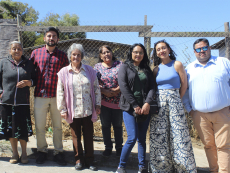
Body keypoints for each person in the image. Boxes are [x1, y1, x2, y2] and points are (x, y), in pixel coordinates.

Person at [183, 38, 230, 173]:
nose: (201, 51)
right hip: (200, 115)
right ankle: (214, 170)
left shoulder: (223, 63)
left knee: (224, 145)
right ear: (194, 52)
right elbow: (185, 91)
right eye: (198, 49)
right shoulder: (190, 68)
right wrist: (190, 110)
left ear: (209, 48)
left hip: (223, 111)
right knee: (209, 145)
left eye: (204, 48)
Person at [150, 39, 197, 172]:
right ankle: (161, 168)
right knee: (160, 135)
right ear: (156, 53)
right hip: (159, 105)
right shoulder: (156, 69)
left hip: (175, 102)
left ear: (169, 50)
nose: (161, 51)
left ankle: (184, 168)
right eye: (158, 49)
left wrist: (176, 99)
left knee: (179, 135)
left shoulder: (177, 64)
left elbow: (184, 85)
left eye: (163, 48)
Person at [57, 43, 101, 171]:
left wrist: (98, 104)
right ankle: (78, 160)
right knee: (76, 137)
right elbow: (60, 92)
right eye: (73, 54)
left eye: (78, 55)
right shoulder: (64, 72)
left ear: (82, 56)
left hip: (87, 109)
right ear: (70, 56)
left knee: (88, 136)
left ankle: (90, 161)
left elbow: (96, 89)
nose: (76, 57)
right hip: (73, 110)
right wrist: (62, 109)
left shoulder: (90, 71)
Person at [30, 27, 69, 165]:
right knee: (40, 126)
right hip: (40, 95)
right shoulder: (36, 53)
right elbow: (30, 72)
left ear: (58, 39)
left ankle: (58, 152)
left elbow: (67, 76)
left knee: (57, 126)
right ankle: (41, 151)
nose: (51, 38)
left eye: (54, 36)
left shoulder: (63, 56)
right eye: (48, 36)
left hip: (57, 97)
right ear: (44, 38)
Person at [116, 43, 155, 173]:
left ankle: (142, 167)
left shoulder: (147, 69)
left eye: (141, 52)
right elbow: (123, 87)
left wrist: (147, 103)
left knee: (142, 139)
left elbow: (152, 88)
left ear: (144, 55)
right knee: (132, 138)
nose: (138, 54)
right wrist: (135, 105)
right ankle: (121, 167)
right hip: (129, 108)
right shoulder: (125, 67)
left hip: (145, 108)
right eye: (135, 52)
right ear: (131, 53)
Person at [0, 41, 35, 164]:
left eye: (19, 48)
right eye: (14, 49)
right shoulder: (4, 63)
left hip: (23, 102)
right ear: (10, 50)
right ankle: (14, 153)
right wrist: (1, 92)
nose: (17, 51)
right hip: (7, 102)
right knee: (11, 129)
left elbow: (35, 80)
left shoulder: (29, 64)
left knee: (22, 129)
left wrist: (28, 83)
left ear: (22, 50)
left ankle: (24, 153)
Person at [94, 45, 123, 157]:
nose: (106, 54)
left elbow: (125, 79)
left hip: (118, 101)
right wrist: (103, 91)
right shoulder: (97, 67)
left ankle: (119, 148)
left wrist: (117, 89)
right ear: (101, 56)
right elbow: (94, 82)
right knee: (105, 125)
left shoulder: (120, 65)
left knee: (118, 125)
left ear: (112, 53)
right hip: (104, 101)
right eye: (103, 53)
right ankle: (108, 147)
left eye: (108, 51)